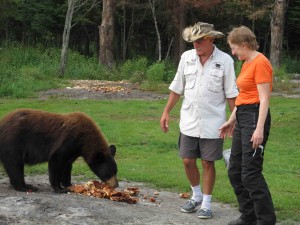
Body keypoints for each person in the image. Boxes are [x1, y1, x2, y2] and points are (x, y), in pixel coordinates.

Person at [160, 22, 238, 219]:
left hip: (214, 124)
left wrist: (234, 120)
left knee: (208, 162)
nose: (196, 45)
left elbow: (231, 94)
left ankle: (207, 203)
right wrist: (166, 111)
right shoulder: (186, 58)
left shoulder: (225, 61)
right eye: (193, 41)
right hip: (189, 121)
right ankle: (195, 195)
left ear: (210, 39)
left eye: (200, 41)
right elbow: (177, 87)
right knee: (187, 160)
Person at [219, 26, 276, 225]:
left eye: (234, 48)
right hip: (243, 115)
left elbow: (263, 98)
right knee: (234, 170)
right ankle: (249, 215)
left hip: (255, 117)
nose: (233, 53)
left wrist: (259, 128)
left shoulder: (261, 63)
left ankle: (266, 220)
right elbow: (244, 96)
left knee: (250, 173)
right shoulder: (246, 62)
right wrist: (232, 119)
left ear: (244, 45)